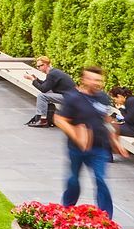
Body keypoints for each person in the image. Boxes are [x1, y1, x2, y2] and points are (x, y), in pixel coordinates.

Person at [53, 66, 125, 218]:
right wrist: (76, 134)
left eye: (99, 80)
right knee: (73, 180)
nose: (96, 83)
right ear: (84, 80)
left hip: (99, 148)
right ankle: (65, 212)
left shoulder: (103, 97)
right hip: (77, 149)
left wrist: (115, 140)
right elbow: (59, 119)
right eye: (92, 79)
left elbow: (105, 120)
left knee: (101, 180)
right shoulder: (73, 98)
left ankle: (106, 219)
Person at [26, 57, 77, 128]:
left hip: (69, 98)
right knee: (46, 93)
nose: (38, 68)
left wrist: (32, 80)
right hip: (70, 96)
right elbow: (46, 85)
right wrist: (36, 79)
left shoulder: (52, 74)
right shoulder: (54, 72)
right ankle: (48, 117)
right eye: (37, 66)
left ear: (46, 64)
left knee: (42, 96)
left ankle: (42, 120)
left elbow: (43, 89)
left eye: (39, 66)